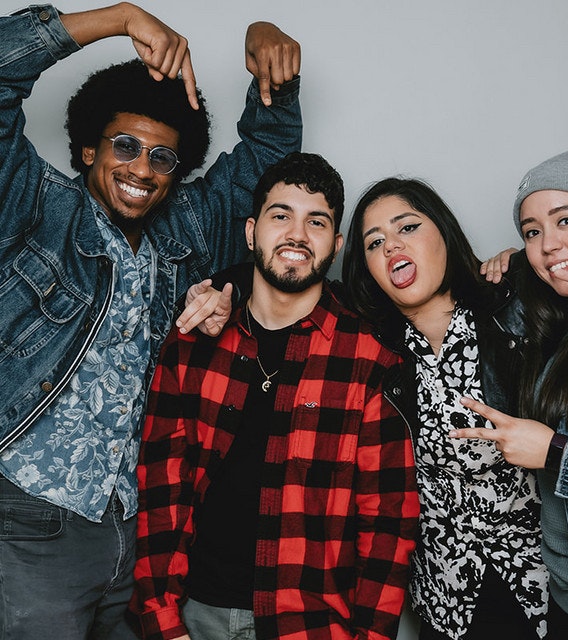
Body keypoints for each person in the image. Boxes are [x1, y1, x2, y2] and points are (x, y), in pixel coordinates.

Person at [0, 4, 301, 638]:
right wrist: (119, 18)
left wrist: (268, 55)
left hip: (140, 524)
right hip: (31, 513)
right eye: (125, 146)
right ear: (88, 147)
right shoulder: (33, 205)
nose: (141, 168)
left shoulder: (189, 228)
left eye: (162, 157)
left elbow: (267, 155)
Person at [132, 152, 420, 640]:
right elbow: (162, 487)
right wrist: (162, 620)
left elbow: (387, 521)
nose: (297, 235)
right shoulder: (194, 340)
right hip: (195, 616)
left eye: (317, 222)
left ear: (336, 245)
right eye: (281, 215)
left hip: (311, 625)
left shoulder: (370, 356)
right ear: (251, 232)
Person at [341, 177, 548, 640]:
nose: (392, 246)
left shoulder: (515, 307)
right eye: (375, 242)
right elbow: (287, 288)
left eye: (407, 227)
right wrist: (224, 285)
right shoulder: (376, 352)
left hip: (543, 586)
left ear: (444, 233)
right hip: (446, 602)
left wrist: (523, 260)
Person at [450, 142, 568, 640]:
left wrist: (557, 452)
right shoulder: (564, 330)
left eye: (566, 220)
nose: (547, 245)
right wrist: (512, 270)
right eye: (531, 231)